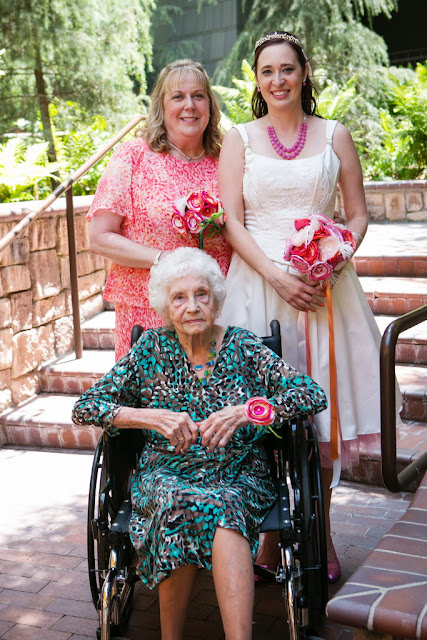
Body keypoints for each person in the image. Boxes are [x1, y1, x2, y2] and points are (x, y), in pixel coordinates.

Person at [218, 31, 402, 583]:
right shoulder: (239, 140)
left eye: (287, 70)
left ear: (304, 74)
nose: (277, 80)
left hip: (326, 292)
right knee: (264, 412)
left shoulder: (336, 135)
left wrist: (335, 257)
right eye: (267, 71)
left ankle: (321, 534)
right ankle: (271, 538)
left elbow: (359, 215)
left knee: (321, 416)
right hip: (257, 288)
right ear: (257, 81)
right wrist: (275, 273)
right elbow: (231, 220)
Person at [72, 247, 327, 640]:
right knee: (178, 502)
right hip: (166, 473)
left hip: (237, 472)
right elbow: (86, 407)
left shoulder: (242, 347)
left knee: (224, 508)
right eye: (179, 297)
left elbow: (310, 394)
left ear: (216, 299)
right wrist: (147, 417)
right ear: (165, 306)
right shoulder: (150, 349)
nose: (192, 306)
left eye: (201, 294)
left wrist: (247, 411)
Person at [87, 59, 232, 361]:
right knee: (155, 403)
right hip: (148, 311)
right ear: (161, 107)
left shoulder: (226, 161)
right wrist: (164, 260)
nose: (189, 105)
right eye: (178, 97)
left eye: (198, 96)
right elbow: (99, 237)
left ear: (210, 105)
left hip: (215, 312)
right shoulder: (134, 157)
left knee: (216, 401)